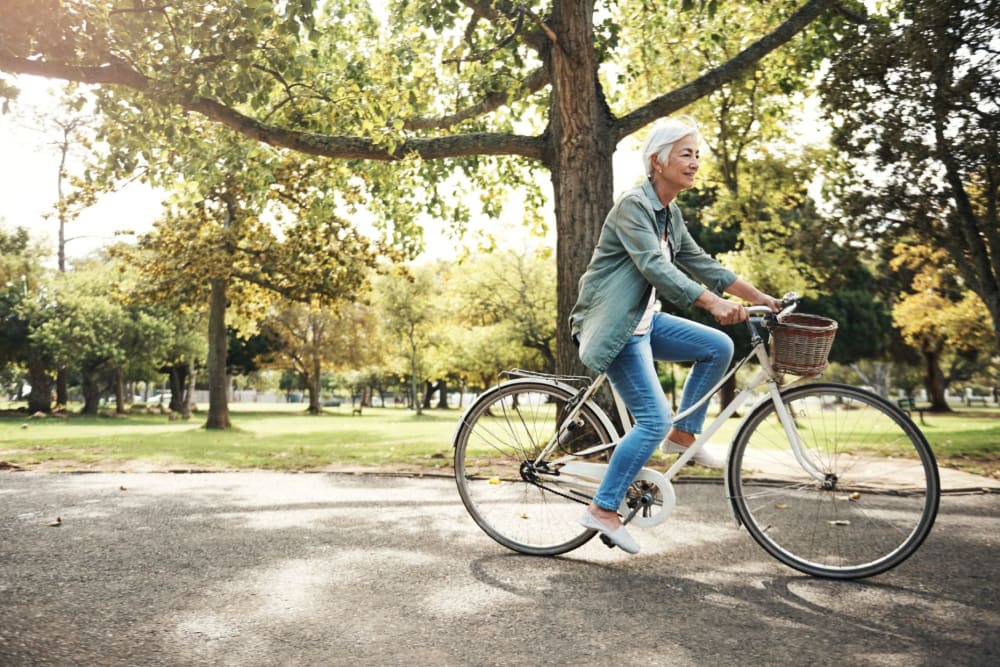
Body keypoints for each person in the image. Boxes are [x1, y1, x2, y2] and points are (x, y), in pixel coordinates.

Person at [569, 116, 780, 554]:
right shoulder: (633, 207)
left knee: (717, 345)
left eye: (697, 154)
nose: (695, 162)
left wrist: (758, 295)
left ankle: (683, 437)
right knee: (652, 418)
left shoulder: (670, 215)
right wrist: (712, 304)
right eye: (686, 154)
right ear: (657, 161)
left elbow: (701, 262)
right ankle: (603, 508)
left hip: (644, 322)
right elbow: (656, 267)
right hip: (618, 326)